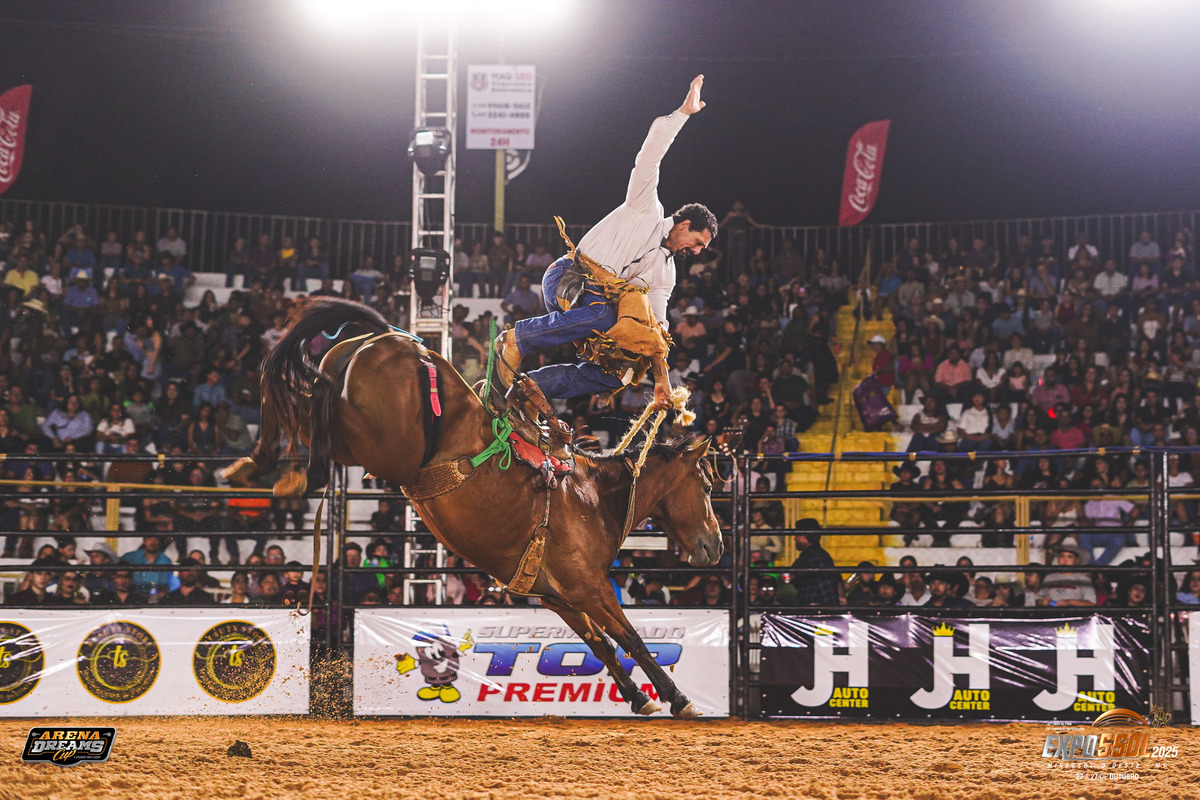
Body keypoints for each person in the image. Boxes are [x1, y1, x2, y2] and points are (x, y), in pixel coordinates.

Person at [495, 74, 715, 409]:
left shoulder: (665, 274)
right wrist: (683, 114)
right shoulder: (645, 207)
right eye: (697, 242)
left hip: (591, 305)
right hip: (568, 277)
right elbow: (650, 155)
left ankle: (533, 387)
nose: (697, 252)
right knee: (599, 315)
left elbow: (655, 331)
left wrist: (661, 382)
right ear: (684, 224)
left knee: (621, 373)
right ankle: (517, 339)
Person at [789, 519, 839, 606]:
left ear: (804, 537)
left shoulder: (813, 556)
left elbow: (825, 586)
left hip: (816, 608)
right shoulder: (815, 555)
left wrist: (831, 608)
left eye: (797, 535)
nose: (794, 539)